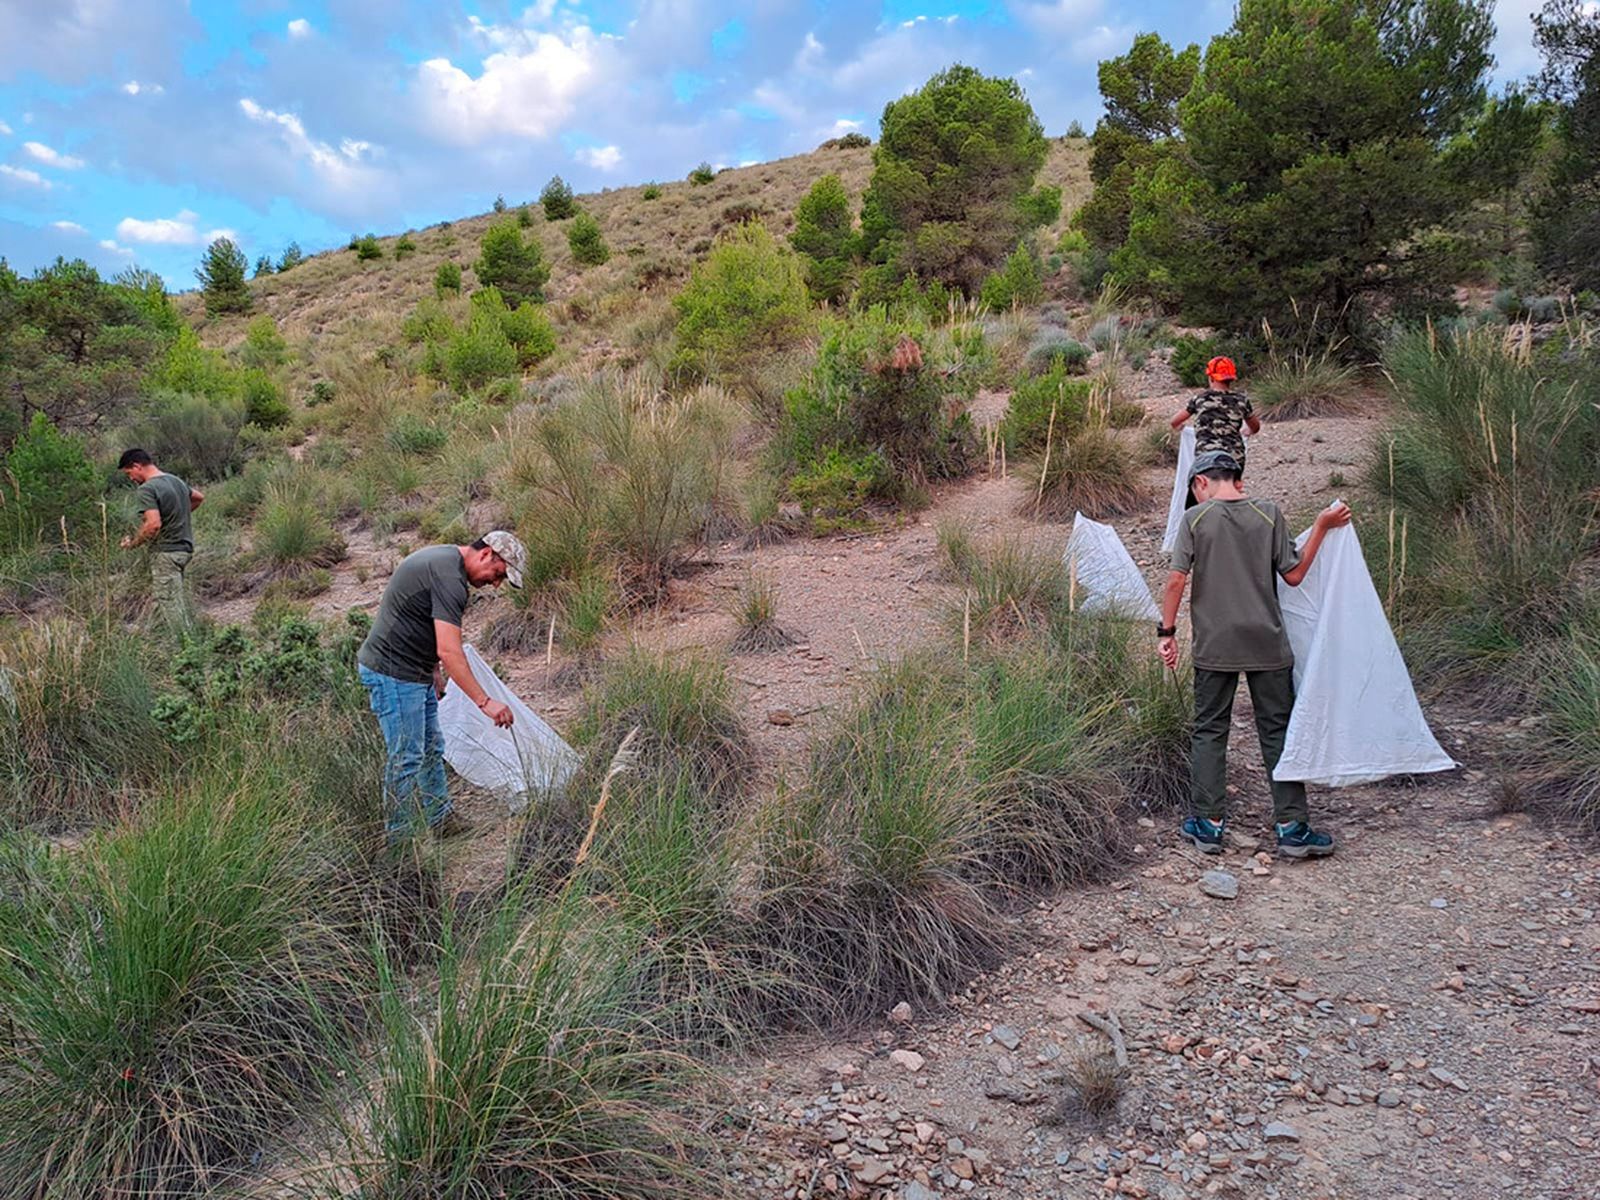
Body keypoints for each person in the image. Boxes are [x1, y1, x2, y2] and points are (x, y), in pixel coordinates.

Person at [1156, 450, 1351, 858]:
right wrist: (1321, 526)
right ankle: (1292, 828)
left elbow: (1175, 581)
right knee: (1278, 733)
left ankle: (1208, 825)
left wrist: (1167, 632)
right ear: (1237, 480)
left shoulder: (1195, 519)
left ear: (1200, 483)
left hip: (1215, 646)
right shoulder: (1268, 513)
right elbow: (1295, 576)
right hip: (1267, 644)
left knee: (1210, 730)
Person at [358, 531, 528, 841]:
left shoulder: (447, 563)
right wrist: (485, 702)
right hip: (394, 673)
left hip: (415, 670)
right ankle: (400, 844)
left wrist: (433, 669)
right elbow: (450, 650)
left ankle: (441, 820)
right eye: (498, 574)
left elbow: (422, 620)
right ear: (487, 554)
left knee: (432, 747)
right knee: (406, 758)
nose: (496, 584)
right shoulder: (449, 577)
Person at [117, 448, 203, 631]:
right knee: (165, 597)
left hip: (166, 552)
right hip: (184, 550)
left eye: (129, 473)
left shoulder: (147, 488)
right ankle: (154, 635)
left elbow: (153, 525)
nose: (131, 478)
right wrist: (176, 515)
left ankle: (186, 648)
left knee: (171, 604)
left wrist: (133, 543)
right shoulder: (175, 480)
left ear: (137, 466)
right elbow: (198, 498)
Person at [1171, 355, 1260, 471]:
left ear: (1211, 378)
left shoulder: (1199, 399)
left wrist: (1182, 428)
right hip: (1234, 456)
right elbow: (1256, 426)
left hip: (1206, 456)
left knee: (1203, 486)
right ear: (1231, 379)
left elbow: (1174, 422)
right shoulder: (1242, 401)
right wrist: (1249, 431)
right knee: (1233, 486)